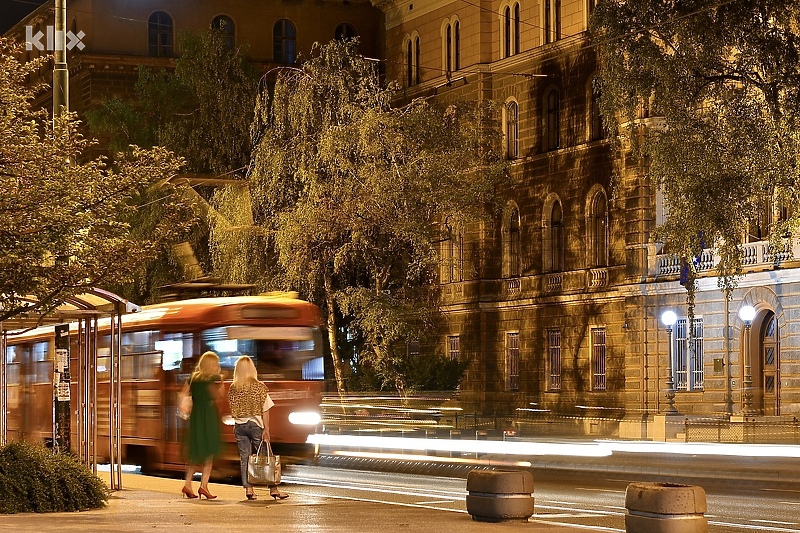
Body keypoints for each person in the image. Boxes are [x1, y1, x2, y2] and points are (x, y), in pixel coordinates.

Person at [227, 355, 288, 500]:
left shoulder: (233, 388)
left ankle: (249, 489)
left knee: (245, 458)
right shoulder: (259, 387)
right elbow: (265, 409)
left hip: (239, 426)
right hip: (255, 425)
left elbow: (232, 407)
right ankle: (273, 489)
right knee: (266, 456)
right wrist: (266, 429)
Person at [181, 351, 222, 500]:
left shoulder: (192, 378)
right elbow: (216, 395)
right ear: (212, 365)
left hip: (196, 416)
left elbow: (183, 394)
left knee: (195, 451)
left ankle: (187, 484)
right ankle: (203, 486)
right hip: (208, 415)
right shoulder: (215, 379)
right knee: (209, 451)